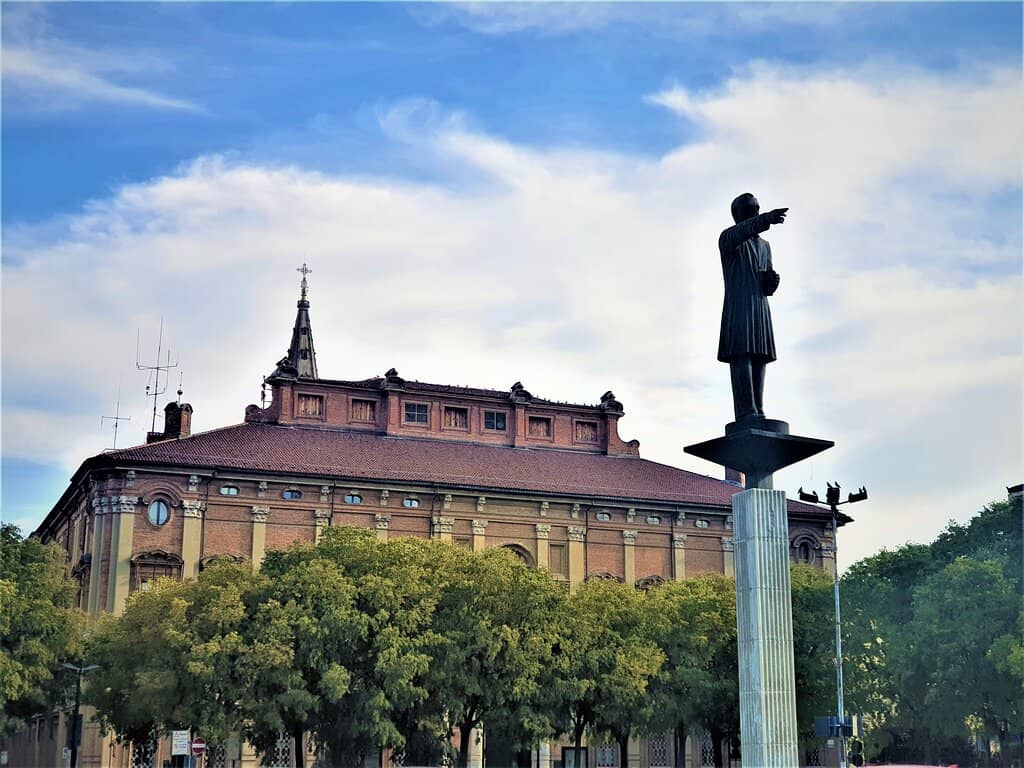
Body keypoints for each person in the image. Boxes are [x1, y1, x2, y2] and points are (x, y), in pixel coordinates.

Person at [718, 193, 788, 422]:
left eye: (757, 209)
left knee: (760, 356)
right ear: (738, 215)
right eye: (750, 210)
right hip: (739, 305)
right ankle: (746, 411)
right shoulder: (729, 237)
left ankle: (758, 409)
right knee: (742, 355)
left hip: (760, 306)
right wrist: (766, 219)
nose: (754, 213)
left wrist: (771, 282)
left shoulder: (765, 246)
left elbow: (766, 281)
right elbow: (742, 232)